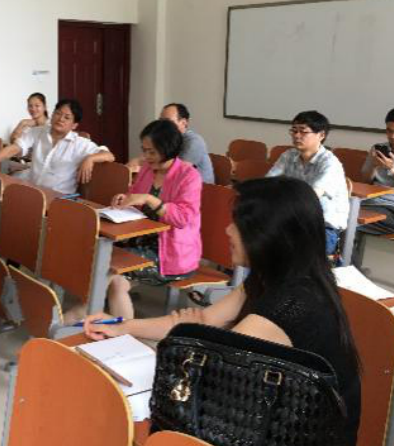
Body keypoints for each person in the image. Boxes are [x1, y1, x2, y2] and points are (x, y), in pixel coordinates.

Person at [84, 177, 362, 445]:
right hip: (269, 418)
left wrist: (182, 343)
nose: (228, 230)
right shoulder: (272, 277)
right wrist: (122, 326)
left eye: (239, 224)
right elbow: (204, 319)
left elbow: (206, 378)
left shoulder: (288, 307)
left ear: (270, 235)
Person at [106, 119, 202, 320]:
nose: (146, 157)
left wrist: (150, 199)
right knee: (102, 260)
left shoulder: (189, 176)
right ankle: (113, 326)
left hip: (171, 253)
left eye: (152, 152)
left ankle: (81, 317)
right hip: (141, 240)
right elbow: (135, 195)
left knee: (110, 270)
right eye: (144, 151)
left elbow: (183, 218)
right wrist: (125, 199)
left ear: (167, 149)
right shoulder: (148, 169)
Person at [0, 98, 114, 194]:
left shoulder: (79, 144)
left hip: (59, 199)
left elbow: (109, 155)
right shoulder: (37, 132)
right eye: (58, 113)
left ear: (74, 125)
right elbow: (12, 149)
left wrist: (90, 159)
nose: (60, 119)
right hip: (33, 192)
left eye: (67, 117)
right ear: (52, 115)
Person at [266, 111, 349, 255]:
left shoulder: (330, 163)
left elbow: (310, 198)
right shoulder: (288, 155)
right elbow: (267, 184)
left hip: (323, 229)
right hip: (293, 221)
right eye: (294, 130)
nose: (297, 136)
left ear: (321, 135)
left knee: (285, 248)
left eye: (303, 131)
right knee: (256, 238)